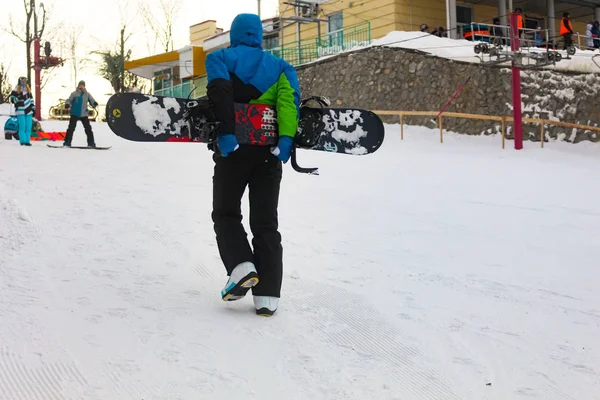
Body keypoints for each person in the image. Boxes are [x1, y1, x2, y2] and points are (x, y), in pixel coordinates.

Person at [205, 13, 300, 316]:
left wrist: (227, 132)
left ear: (234, 34)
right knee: (265, 223)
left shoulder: (219, 58)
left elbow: (220, 93)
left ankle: (241, 265)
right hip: (269, 154)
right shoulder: (282, 67)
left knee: (226, 212)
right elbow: (289, 102)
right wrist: (285, 141)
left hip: (233, 151)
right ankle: (268, 296)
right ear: (259, 36)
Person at [64, 80, 98, 147]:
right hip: (74, 113)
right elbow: (69, 100)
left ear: (84, 86)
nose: (81, 86)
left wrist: (94, 103)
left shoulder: (87, 94)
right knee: (71, 128)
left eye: (82, 85)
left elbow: (91, 100)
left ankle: (91, 143)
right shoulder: (74, 93)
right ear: (78, 85)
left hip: (84, 114)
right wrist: (67, 104)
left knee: (88, 129)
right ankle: (67, 142)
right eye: (80, 85)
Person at [9, 77, 35, 146]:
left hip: (28, 111)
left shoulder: (28, 90)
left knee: (28, 126)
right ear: (19, 82)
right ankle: (23, 141)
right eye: (22, 81)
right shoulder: (16, 89)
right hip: (20, 110)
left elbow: (31, 100)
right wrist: (17, 98)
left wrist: (33, 107)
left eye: (25, 81)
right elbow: (12, 99)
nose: (24, 83)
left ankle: (27, 141)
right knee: (22, 126)